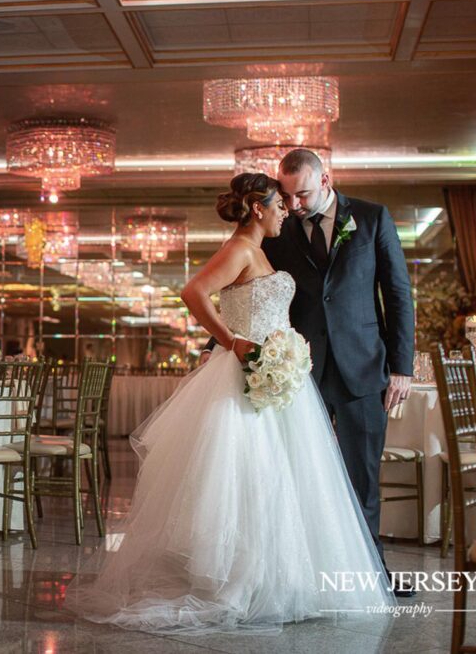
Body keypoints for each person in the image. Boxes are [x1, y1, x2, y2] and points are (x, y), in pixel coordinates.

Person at [64, 172, 395, 635]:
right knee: (250, 478)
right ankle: (245, 579)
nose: (287, 210)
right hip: (245, 372)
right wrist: (233, 343)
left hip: (274, 374)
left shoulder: (259, 249)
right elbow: (192, 292)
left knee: (283, 478)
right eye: (279, 204)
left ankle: (281, 575)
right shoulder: (240, 248)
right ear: (258, 209)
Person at [201, 150, 415, 594]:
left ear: (326, 180)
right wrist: (218, 344)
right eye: (287, 195)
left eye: (302, 193)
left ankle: (370, 575)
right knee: (301, 477)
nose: (294, 204)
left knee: (361, 479)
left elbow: (397, 294)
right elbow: (248, 291)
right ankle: (306, 575)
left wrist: (402, 367)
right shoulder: (277, 229)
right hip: (296, 374)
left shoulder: (373, 219)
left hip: (363, 368)